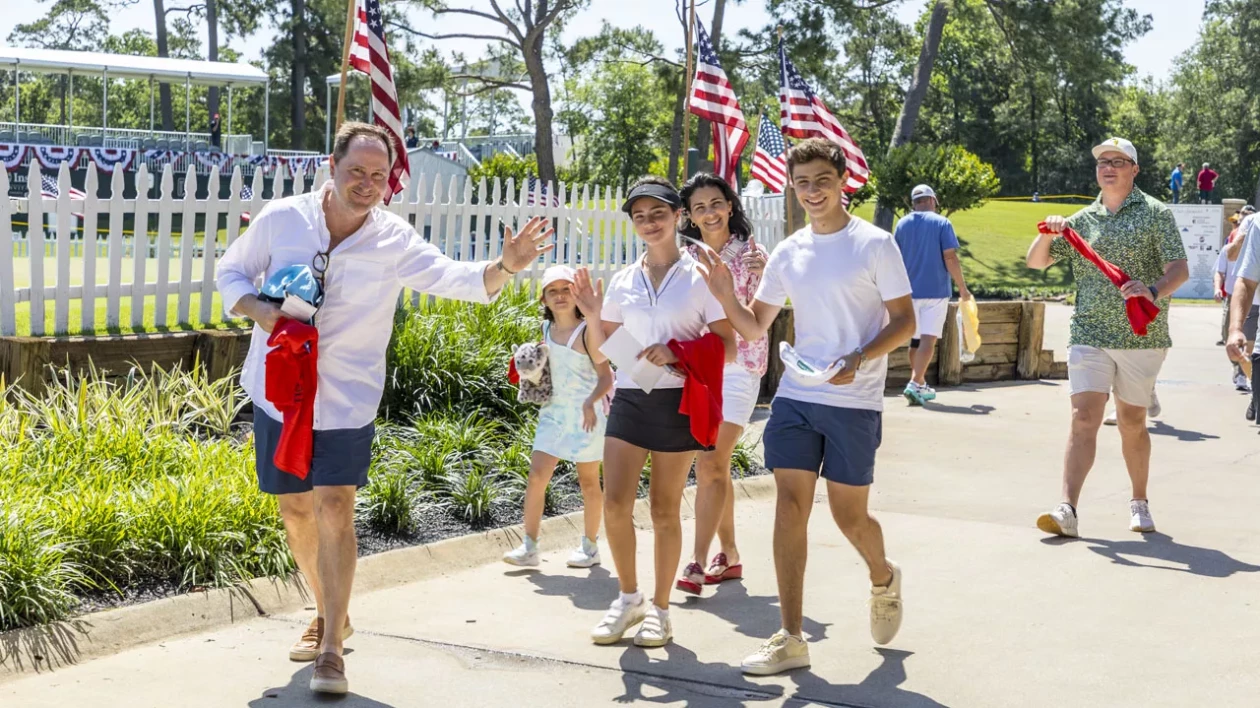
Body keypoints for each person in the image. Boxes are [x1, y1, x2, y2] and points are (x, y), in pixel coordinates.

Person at [216, 121, 553, 695]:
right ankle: (330, 611)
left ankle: (330, 651)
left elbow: (454, 276)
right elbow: (230, 272)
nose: (367, 184)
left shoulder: (394, 238)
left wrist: (508, 266)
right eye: (357, 172)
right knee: (295, 511)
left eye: (378, 175)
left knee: (335, 507)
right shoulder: (281, 218)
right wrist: (264, 314)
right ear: (331, 164)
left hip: (347, 399)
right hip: (281, 393)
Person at [696, 137, 915, 676]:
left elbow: (906, 322)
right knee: (789, 506)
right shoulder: (790, 251)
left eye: (822, 180)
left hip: (854, 398)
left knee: (849, 516)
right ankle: (791, 637)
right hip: (796, 395)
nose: (812, 191)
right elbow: (753, 327)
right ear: (792, 188)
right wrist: (726, 294)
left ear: (843, 181)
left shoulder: (875, 244)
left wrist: (861, 358)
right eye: (802, 183)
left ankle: (883, 577)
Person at [590, 176, 737, 649]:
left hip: (679, 402)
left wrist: (675, 352)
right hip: (633, 396)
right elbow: (607, 339)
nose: (649, 223)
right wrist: (594, 317)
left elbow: (728, 346)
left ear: (678, 216)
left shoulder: (701, 277)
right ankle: (628, 596)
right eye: (639, 216)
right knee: (614, 503)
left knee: (663, 509)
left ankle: (660, 609)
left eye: (658, 213)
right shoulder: (622, 279)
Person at [1025, 137, 1188, 538]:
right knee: (1084, 419)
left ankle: (1139, 501)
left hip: (1141, 336)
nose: (1108, 167)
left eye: (1118, 161)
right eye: (1102, 162)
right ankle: (1067, 509)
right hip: (1089, 333)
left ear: (1134, 169)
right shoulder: (1082, 221)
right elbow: (1036, 261)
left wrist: (1151, 291)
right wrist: (1050, 230)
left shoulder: (1155, 214)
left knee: (1132, 422)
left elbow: (1179, 270)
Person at [675, 173, 769, 596]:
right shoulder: (683, 258)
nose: (709, 213)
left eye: (716, 203)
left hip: (739, 367)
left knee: (711, 463)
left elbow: (756, 318)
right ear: (690, 217)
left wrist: (764, 276)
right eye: (699, 207)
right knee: (717, 466)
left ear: (730, 206)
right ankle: (728, 554)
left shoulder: (752, 256)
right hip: (698, 368)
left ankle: (696, 561)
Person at [502, 265, 613, 569]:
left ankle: (590, 547)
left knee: (589, 482)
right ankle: (530, 547)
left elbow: (607, 378)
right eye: (553, 291)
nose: (561, 296)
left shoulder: (588, 331)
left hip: (585, 416)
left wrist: (591, 403)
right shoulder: (545, 331)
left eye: (566, 289)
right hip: (553, 412)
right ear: (544, 299)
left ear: (576, 294)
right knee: (537, 476)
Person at [893, 184, 972, 406]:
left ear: (914, 203)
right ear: (933, 200)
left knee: (916, 339)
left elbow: (895, 259)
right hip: (936, 291)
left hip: (907, 292)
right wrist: (963, 289)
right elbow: (950, 258)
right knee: (929, 338)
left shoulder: (901, 224)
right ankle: (915, 382)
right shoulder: (942, 223)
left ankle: (918, 383)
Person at [1221, 210, 1259, 395]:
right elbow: (1232, 257)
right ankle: (1251, 383)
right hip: (1253, 302)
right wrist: (1234, 329)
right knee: (1249, 346)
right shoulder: (1255, 223)